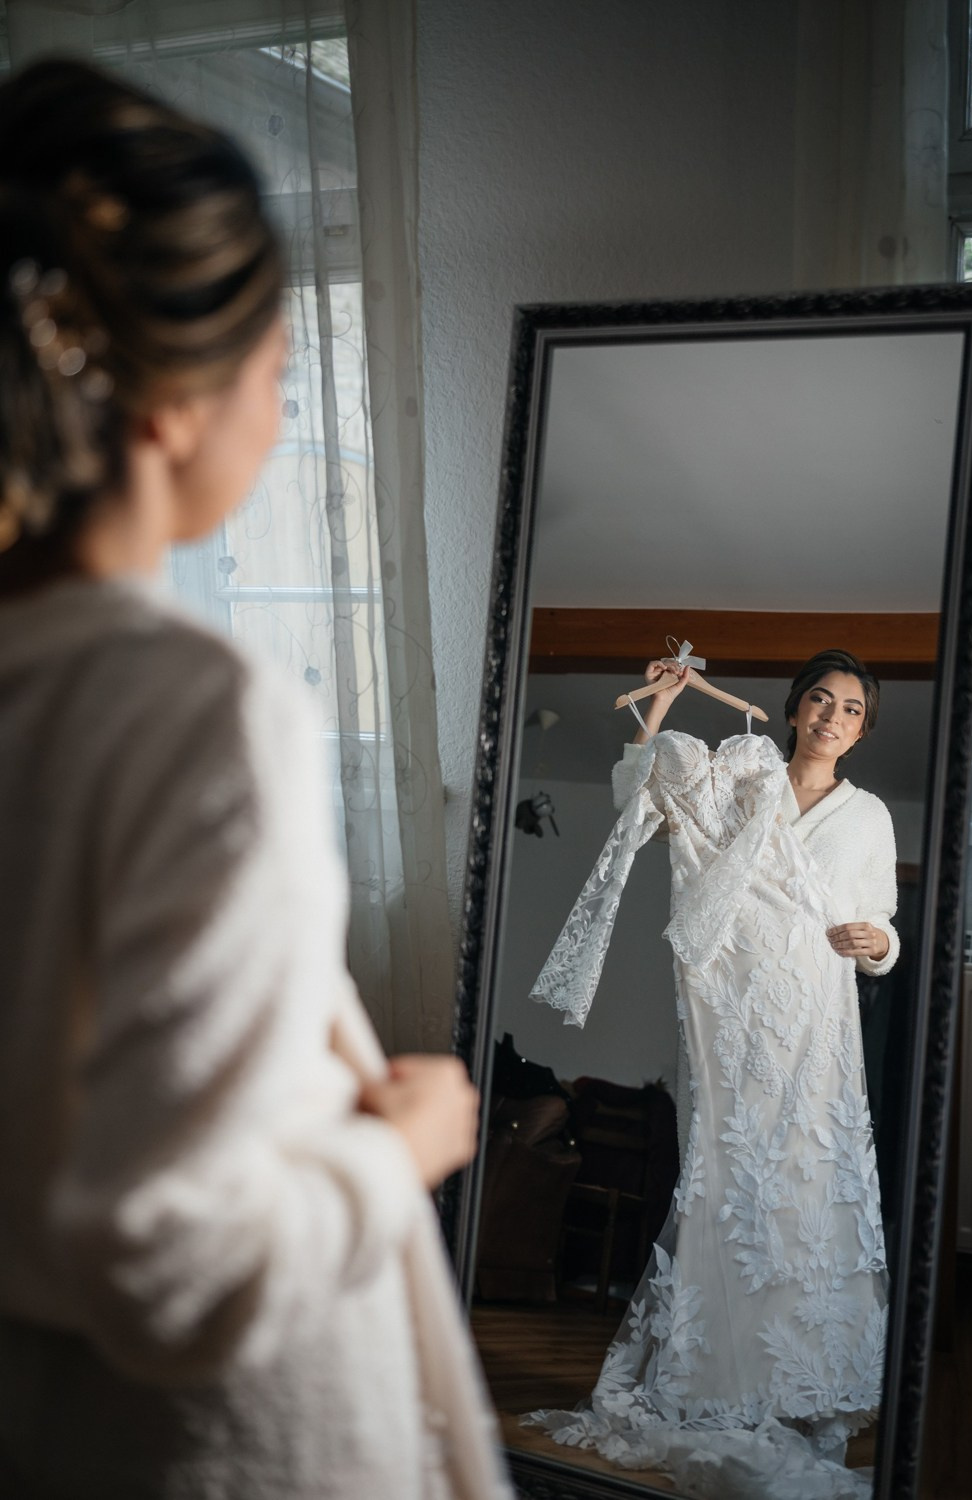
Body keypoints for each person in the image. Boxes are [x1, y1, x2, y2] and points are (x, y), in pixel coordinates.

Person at [0, 58, 510, 1500]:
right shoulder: (189, 707)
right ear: (167, 404)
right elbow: (175, 1256)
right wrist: (400, 1149)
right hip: (223, 1441)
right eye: (278, 377)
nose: (283, 418)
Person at [526, 648, 898, 1496]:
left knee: (805, 1182)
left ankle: (798, 1378)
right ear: (794, 708)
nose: (831, 717)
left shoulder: (867, 816)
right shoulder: (744, 781)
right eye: (819, 701)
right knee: (730, 1183)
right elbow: (644, 802)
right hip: (732, 1013)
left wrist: (879, 944)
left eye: (849, 709)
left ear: (862, 729)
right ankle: (717, 1376)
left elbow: (879, 920)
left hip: (814, 1018)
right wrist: (655, 711)